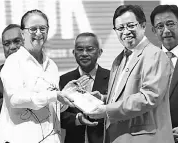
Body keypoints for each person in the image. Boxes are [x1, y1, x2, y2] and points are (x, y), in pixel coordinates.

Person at [86, 5, 174, 143]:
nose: (126, 31)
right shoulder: (119, 59)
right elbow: (126, 94)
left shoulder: (155, 55)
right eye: (120, 28)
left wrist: (107, 110)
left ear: (143, 25)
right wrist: (104, 99)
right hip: (118, 136)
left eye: (130, 25)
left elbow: (149, 97)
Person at [0, 9, 75, 143]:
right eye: (33, 29)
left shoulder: (52, 65)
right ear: (22, 33)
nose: (38, 33)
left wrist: (66, 96)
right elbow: (15, 99)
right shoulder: (14, 61)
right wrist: (54, 95)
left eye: (42, 28)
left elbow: (53, 108)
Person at [60, 32, 110, 143]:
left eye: (90, 49)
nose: (84, 53)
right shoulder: (63, 80)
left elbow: (119, 108)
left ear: (100, 52)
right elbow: (58, 115)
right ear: (73, 53)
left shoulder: (112, 77)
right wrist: (77, 119)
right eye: (80, 49)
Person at [150, 5, 178, 142]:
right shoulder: (147, 60)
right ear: (154, 31)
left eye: (170, 24)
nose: (166, 30)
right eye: (160, 26)